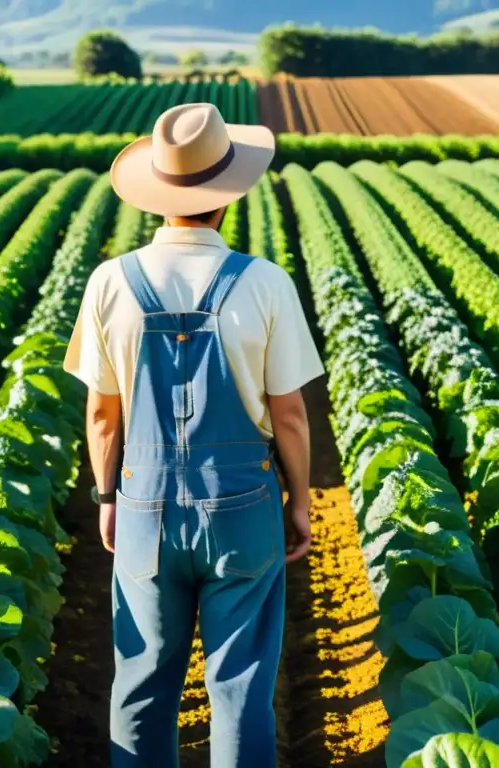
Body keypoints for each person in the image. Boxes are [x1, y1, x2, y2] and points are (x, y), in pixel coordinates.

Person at [63, 102, 325, 767]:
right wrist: (298, 502)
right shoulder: (264, 282)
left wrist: (107, 497)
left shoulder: (109, 282)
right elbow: (290, 414)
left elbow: (101, 414)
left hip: (146, 507)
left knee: (144, 683)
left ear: (159, 196)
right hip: (242, 505)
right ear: (227, 196)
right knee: (239, 688)